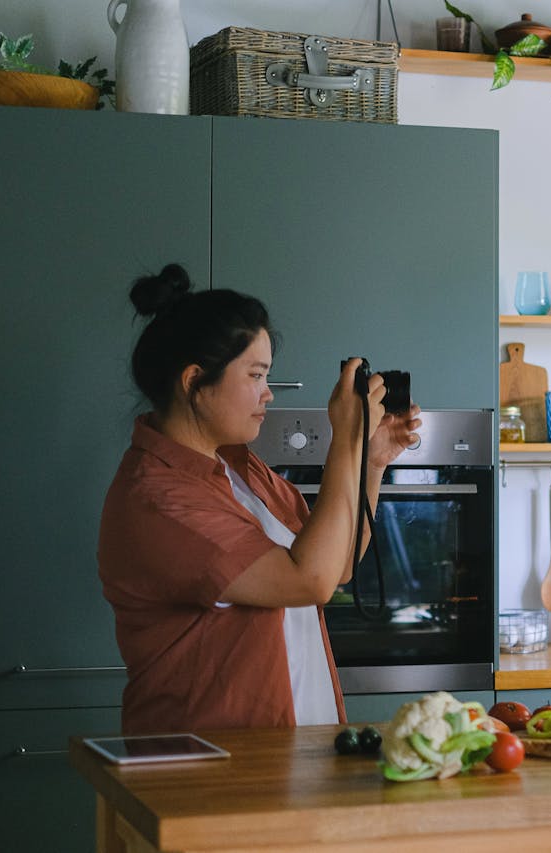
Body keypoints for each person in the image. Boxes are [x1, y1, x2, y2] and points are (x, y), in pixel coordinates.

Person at [98, 263, 421, 734]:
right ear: (194, 382)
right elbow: (308, 581)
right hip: (216, 772)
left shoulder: (242, 471)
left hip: (298, 754)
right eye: (255, 375)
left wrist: (370, 462)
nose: (268, 394)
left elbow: (336, 565)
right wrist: (345, 442)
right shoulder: (159, 498)